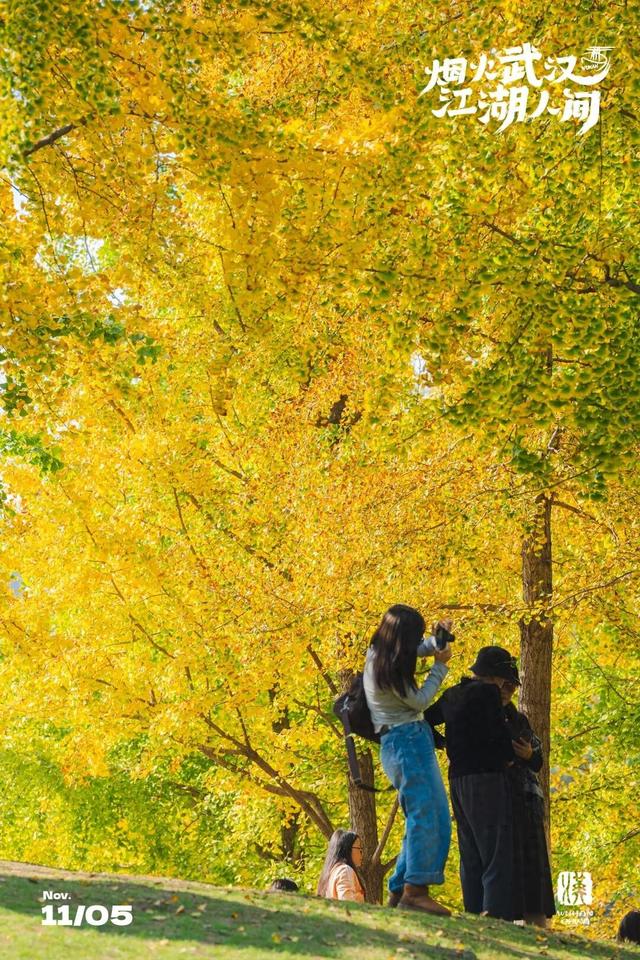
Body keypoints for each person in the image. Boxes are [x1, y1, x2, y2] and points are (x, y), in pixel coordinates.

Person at [363, 604, 453, 915]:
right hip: (407, 742)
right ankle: (415, 891)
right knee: (428, 816)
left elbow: (411, 650)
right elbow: (420, 700)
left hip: (402, 742)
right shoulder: (388, 672)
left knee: (424, 816)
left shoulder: (378, 653)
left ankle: (401, 888)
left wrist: (434, 642)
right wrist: (440, 666)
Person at [424, 645, 518, 920]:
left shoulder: (453, 694)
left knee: (471, 851)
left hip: (458, 778)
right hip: (488, 776)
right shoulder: (488, 694)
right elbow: (500, 737)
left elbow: (425, 718)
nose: (506, 686)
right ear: (496, 676)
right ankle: (495, 915)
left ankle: (474, 910)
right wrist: (509, 756)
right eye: (506, 680)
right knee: (495, 851)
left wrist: (442, 742)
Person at [501, 679, 556, 927]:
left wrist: (529, 755)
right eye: (504, 685)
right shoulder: (485, 714)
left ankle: (538, 926)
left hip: (528, 798)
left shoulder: (519, 719)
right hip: (501, 799)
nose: (508, 691)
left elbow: (538, 759)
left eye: (512, 687)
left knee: (534, 869)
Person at [316, 829, 365, 902]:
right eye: (359, 848)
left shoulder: (332, 871)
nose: (362, 853)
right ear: (347, 849)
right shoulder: (345, 870)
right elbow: (348, 904)